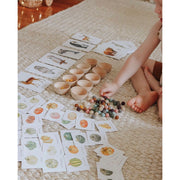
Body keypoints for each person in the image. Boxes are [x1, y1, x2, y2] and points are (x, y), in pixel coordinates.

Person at [100, 0, 162, 120]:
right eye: (156, 3)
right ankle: (145, 93)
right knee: (135, 65)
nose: (156, 10)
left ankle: (155, 87)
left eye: (162, 6)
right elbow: (137, 57)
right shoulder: (160, 27)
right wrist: (116, 84)